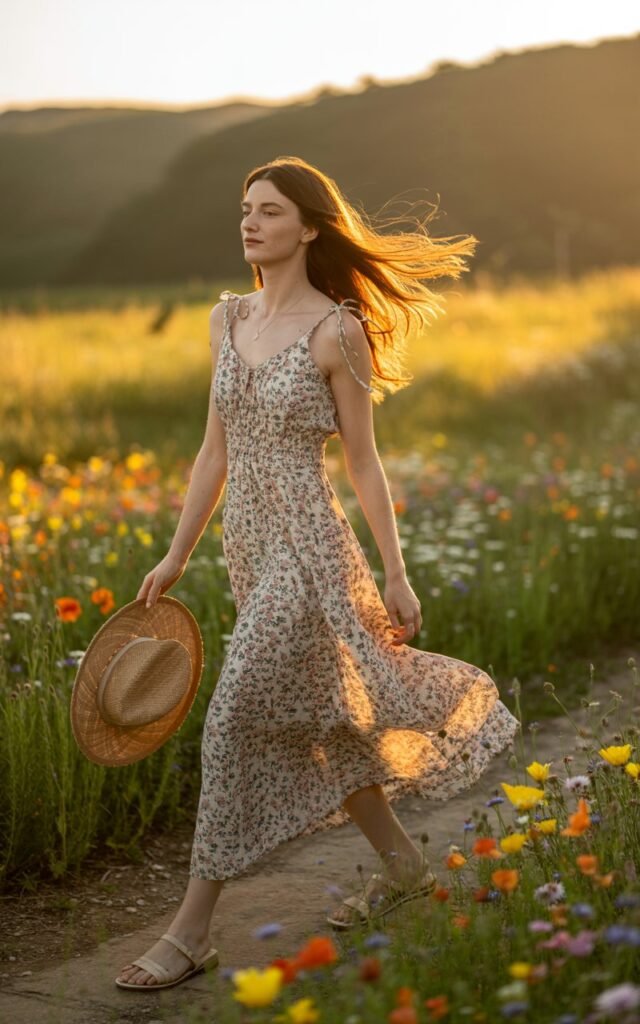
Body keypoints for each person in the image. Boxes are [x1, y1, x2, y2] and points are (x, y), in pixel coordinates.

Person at [116, 156, 519, 988]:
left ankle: (190, 931)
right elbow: (212, 450)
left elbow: (366, 467)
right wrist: (177, 553)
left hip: (309, 548)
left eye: (268, 211)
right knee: (326, 717)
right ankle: (406, 870)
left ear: (307, 227)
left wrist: (396, 575)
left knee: (231, 720)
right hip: (250, 544)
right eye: (245, 209)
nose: (250, 223)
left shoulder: (338, 331)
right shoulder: (225, 319)